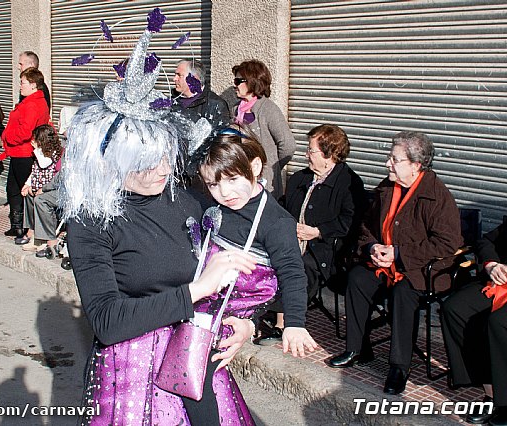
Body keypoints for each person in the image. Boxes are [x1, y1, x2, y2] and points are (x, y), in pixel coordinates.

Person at [61, 9, 257, 424]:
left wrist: (245, 322)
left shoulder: (188, 201)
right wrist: (195, 290)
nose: (163, 170)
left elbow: (233, 270)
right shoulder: (91, 221)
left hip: (195, 359)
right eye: (147, 162)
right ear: (115, 159)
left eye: (167, 155)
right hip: (132, 375)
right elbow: (107, 321)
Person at [327, 131, 463, 396]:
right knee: (357, 278)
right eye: (389, 157)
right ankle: (358, 348)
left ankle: (400, 366)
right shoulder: (387, 187)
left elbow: (447, 243)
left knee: (403, 293)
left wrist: (399, 254)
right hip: (384, 263)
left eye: (395, 159)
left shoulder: (437, 195)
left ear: (415, 165)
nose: (387, 163)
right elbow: (366, 226)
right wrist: (372, 247)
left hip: (420, 270)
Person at [192, 125, 318, 357]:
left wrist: (295, 323)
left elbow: (292, 272)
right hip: (196, 311)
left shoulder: (276, 222)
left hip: (230, 321)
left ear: (255, 166)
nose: (224, 192)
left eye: (232, 179)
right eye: (213, 184)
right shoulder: (213, 206)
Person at [258, 124, 366, 339]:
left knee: (297, 266)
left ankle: (283, 322)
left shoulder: (349, 183)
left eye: (311, 150)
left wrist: (317, 232)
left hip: (324, 249)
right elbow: (283, 207)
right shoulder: (300, 178)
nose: (306, 154)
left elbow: (350, 222)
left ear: (330, 155)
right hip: (292, 240)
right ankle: (260, 309)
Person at [441, 217, 507, 425]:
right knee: (455, 309)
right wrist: (492, 264)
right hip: (500, 284)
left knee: (498, 322)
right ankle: (491, 392)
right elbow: (486, 241)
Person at [231, 59, 296, 200]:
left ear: (252, 82)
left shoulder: (268, 109)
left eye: (238, 81)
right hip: (241, 178)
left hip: (264, 183)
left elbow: (288, 145)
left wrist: (271, 166)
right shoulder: (236, 109)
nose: (234, 85)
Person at [0, 67, 50, 238]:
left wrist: (8, 136)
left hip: (24, 152)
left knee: (24, 190)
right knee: (13, 189)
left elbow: (25, 131)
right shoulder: (32, 101)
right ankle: (18, 225)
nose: (20, 86)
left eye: (23, 82)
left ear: (33, 84)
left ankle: (29, 227)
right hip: (18, 152)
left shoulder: (32, 104)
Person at [15, 124, 63, 252]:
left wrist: (36, 150)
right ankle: (32, 229)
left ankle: (42, 238)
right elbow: (34, 171)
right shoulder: (41, 153)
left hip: (52, 188)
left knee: (40, 200)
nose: (33, 141)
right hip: (41, 185)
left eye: (35, 139)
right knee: (28, 195)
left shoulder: (53, 153)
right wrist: (28, 184)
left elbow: (43, 164)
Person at [172, 59, 230, 126]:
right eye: (175, 75)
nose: (174, 79)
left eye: (179, 75)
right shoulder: (172, 101)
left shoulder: (216, 105)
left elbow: (221, 131)